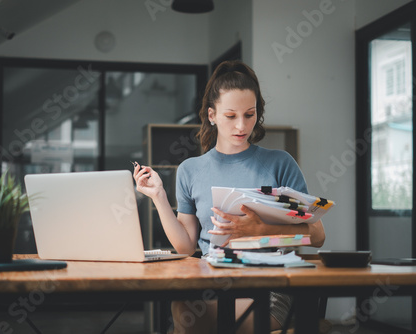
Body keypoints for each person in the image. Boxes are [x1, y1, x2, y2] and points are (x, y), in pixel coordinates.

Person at [133, 60, 325, 333]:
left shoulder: (279, 163)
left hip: (266, 285)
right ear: (212, 115)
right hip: (211, 280)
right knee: (184, 308)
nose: (241, 125)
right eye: (231, 115)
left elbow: (316, 235)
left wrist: (263, 229)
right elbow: (186, 248)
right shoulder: (191, 170)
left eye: (249, 114)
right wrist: (159, 197)